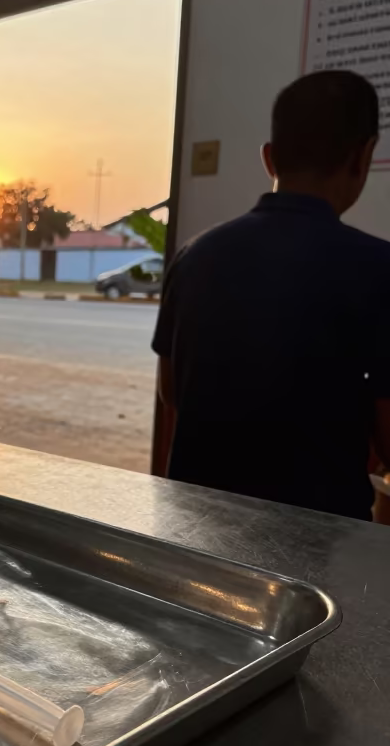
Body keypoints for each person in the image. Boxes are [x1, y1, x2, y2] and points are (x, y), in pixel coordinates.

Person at [153, 70, 390, 521]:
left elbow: (172, 394)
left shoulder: (193, 257)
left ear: (269, 158)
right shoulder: (379, 270)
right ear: (364, 155)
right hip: (317, 555)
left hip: (198, 537)